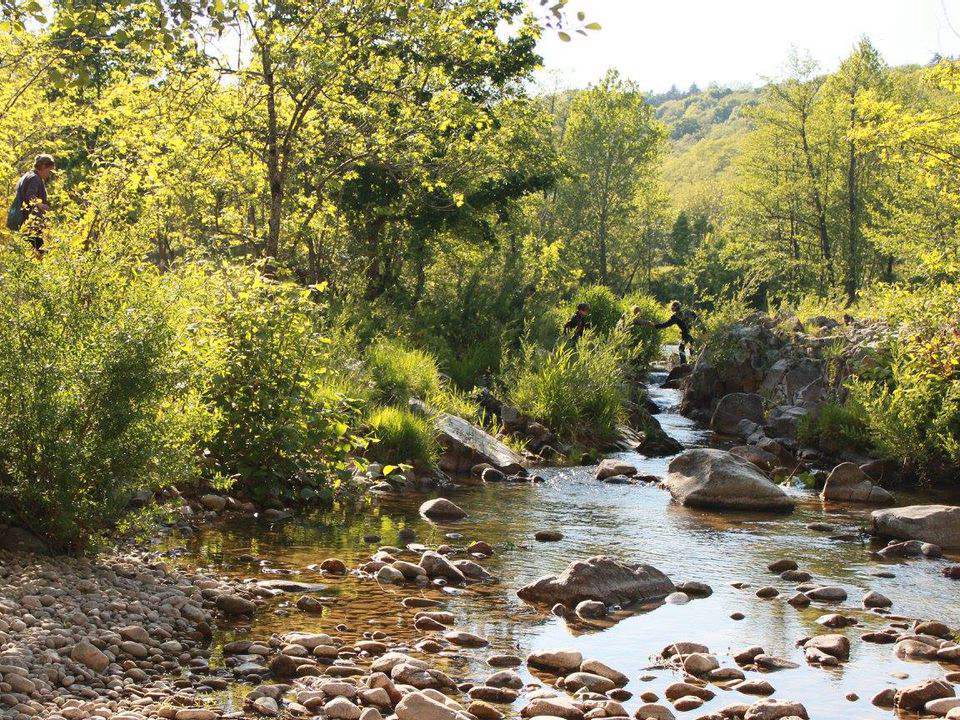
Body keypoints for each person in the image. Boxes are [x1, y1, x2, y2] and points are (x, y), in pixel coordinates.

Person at [7, 154, 55, 251]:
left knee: (29, 251)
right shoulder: (35, 178)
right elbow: (30, 196)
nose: (49, 174)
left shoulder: (28, 175)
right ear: (43, 166)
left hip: (24, 221)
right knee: (41, 251)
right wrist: (41, 205)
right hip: (31, 222)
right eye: (49, 170)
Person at [645, 300, 698, 364]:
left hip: (686, 334)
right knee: (692, 347)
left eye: (672, 307)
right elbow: (697, 318)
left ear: (674, 308)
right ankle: (693, 362)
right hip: (694, 332)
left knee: (681, 348)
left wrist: (654, 326)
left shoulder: (675, 317)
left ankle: (683, 363)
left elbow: (665, 325)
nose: (671, 309)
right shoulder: (688, 311)